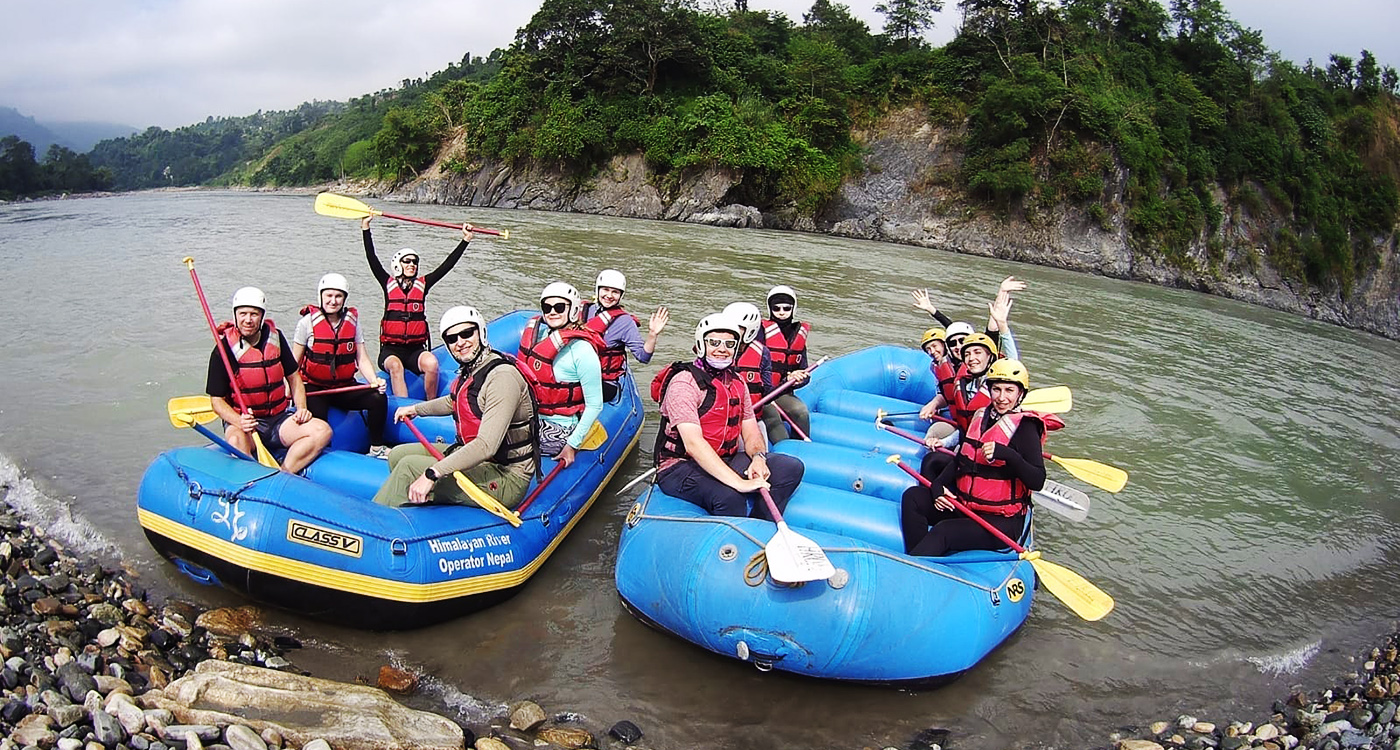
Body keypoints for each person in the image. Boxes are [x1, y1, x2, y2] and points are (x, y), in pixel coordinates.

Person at [373, 307, 538, 508]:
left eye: (467, 333)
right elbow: (455, 401)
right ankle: (411, 510)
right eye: (452, 339)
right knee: (399, 455)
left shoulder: (502, 378)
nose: (460, 342)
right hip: (480, 461)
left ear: (481, 333)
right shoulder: (474, 369)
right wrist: (416, 409)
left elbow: (487, 445)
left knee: (408, 467)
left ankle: (374, 525)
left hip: (505, 476)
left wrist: (433, 473)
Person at [652, 313, 805, 519]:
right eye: (714, 342)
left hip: (726, 457)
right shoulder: (684, 384)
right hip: (680, 466)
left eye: (729, 344)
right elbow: (693, 444)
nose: (722, 349)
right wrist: (739, 483)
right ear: (701, 344)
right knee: (729, 496)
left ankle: (760, 524)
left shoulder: (737, 382)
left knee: (792, 468)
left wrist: (758, 458)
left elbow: (750, 430)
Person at [900, 359, 1054, 557]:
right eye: (996, 389)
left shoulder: (1026, 428)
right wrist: (938, 486)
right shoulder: (981, 416)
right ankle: (919, 558)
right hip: (967, 507)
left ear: (1020, 394)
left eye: (1009, 390)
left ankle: (918, 563)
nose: (1002, 397)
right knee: (913, 497)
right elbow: (961, 459)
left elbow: (1038, 480)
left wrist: (1008, 455)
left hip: (1000, 523)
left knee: (945, 531)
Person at [206, 287, 331, 474]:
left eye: (254, 314)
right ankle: (252, 480)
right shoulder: (223, 351)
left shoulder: (276, 338)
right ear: (235, 315)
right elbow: (216, 401)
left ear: (262, 316)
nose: (248, 320)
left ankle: (284, 473)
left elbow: (294, 378)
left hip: (278, 419)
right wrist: (239, 421)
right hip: (246, 423)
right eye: (243, 314)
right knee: (235, 441)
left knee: (323, 431)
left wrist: (302, 408)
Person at [362, 216, 474, 398]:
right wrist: (366, 227)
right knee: (396, 367)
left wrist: (465, 240)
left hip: (415, 350)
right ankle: (405, 408)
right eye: (407, 261)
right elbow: (371, 257)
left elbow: (447, 266)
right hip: (391, 350)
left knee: (432, 364)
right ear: (398, 264)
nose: (412, 265)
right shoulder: (387, 283)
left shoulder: (423, 285)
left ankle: (431, 404)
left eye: (415, 262)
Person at [290, 273, 391, 458]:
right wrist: (289, 392)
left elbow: (361, 358)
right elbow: (292, 364)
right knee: (319, 422)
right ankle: (319, 456)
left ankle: (376, 447)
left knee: (378, 399)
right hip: (314, 388)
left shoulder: (352, 322)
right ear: (320, 296)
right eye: (329, 296)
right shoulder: (306, 323)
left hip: (343, 386)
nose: (333, 301)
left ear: (344, 298)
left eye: (338, 296)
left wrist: (374, 380)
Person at [517, 282, 604, 467]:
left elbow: (595, 405)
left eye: (559, 307)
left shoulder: (582, 350)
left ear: (573, 309)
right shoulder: (540, 337)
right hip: (533, 417)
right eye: (547, 307)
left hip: (561, 427)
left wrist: (572, 445)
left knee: (505, 443)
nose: (552, 312)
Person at [580, 269, 669, 402]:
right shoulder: (585, 310)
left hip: (604, 382)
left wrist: (652, 334)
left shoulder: (625, 322)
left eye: (615, 292)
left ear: (620, 295)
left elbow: (643, 357)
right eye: (605, 290)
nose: (609, 295)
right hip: (577, 375)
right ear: (598, 290)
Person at [758, 285, 812, 445]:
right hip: (763, 394)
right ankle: (785, 449)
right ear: (770, 308)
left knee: (800, 411)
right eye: (776, 308)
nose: (781, 312)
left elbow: (803, 369)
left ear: (793, 309)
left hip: (783, 393)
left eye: (786, 308)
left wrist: (800, 378)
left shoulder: (798, 335)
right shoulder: (760, 332)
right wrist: (785, 379)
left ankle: (800, 448)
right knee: (771, 414)